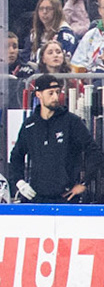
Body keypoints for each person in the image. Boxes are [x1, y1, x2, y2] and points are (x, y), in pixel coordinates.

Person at [7, 72, 96, 201]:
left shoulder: (72, 121)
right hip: (37, 197)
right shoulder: (30, 124)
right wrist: (20, 182)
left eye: (57, 92)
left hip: (66, 197)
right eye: (50, 93)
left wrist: (84, 183)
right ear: (39, 95)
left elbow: (93, 151)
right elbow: (16, 156)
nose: (55, 97)